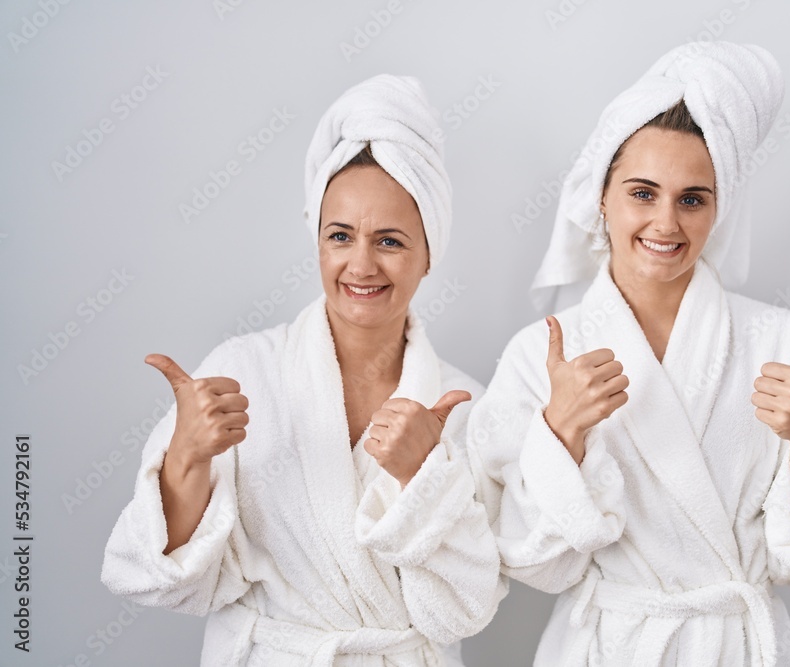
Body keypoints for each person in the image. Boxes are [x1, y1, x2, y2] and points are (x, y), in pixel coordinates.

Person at [465, 42, 790, 666]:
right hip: (606, 647)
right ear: (601, 197)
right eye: (642, 193)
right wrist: (561, 434)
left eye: (692, 199)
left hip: (737, 645)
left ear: (718, 210)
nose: (665, 223)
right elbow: (529, 561)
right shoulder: (541, 356)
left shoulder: (780, 343)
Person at [102, 73, 506, 666]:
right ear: (318, 242)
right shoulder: (243, 371)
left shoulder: (467, 404)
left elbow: (464, 611)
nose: (360, 264)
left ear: (428, 254)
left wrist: (425, 478)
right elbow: (158, 579)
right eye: (340, 235)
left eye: (390, 241)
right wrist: (185, 457)